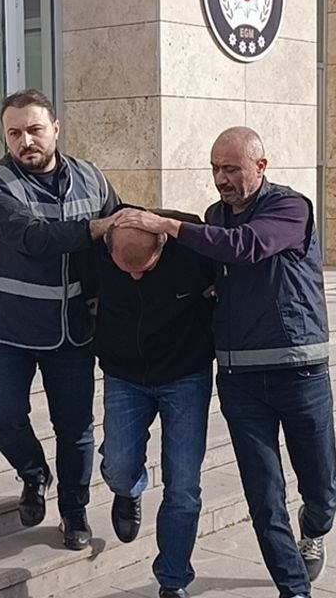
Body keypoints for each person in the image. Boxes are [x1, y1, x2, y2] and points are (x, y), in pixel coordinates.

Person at [117, 127, 336, 598]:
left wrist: (168, 226)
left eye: (232, 169)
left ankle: (315, 526)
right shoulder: (215, 216)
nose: (221, 178)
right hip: (240, 379)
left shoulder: (291, 208)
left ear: (261, 166)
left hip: (299, 370)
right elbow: (212, 257)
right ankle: (294, 588)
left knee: (321, 486)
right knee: (264, 496)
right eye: (215, 168)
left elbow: (246, 247)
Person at [0, 88, 120, 550]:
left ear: (55, 129)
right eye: (14, 133)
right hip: (4, 328)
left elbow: (118, 234)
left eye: (34, 130)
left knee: (75, 429)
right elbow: (32, 237)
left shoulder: (92, 178)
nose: (25, 141)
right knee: (1, 416)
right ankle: (33, 473)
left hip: (72, 331)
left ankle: (74, 512)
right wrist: (96, 227)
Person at [93, 214, 215, 598]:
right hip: (124, 375)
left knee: (183, 485)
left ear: (163, 243)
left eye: (143, 268)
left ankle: (173, 580)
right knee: (118, 466)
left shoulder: (191, 250)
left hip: (185, 374)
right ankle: (128, 489)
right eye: (124, 268)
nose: (134, 276)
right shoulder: (96, 251)